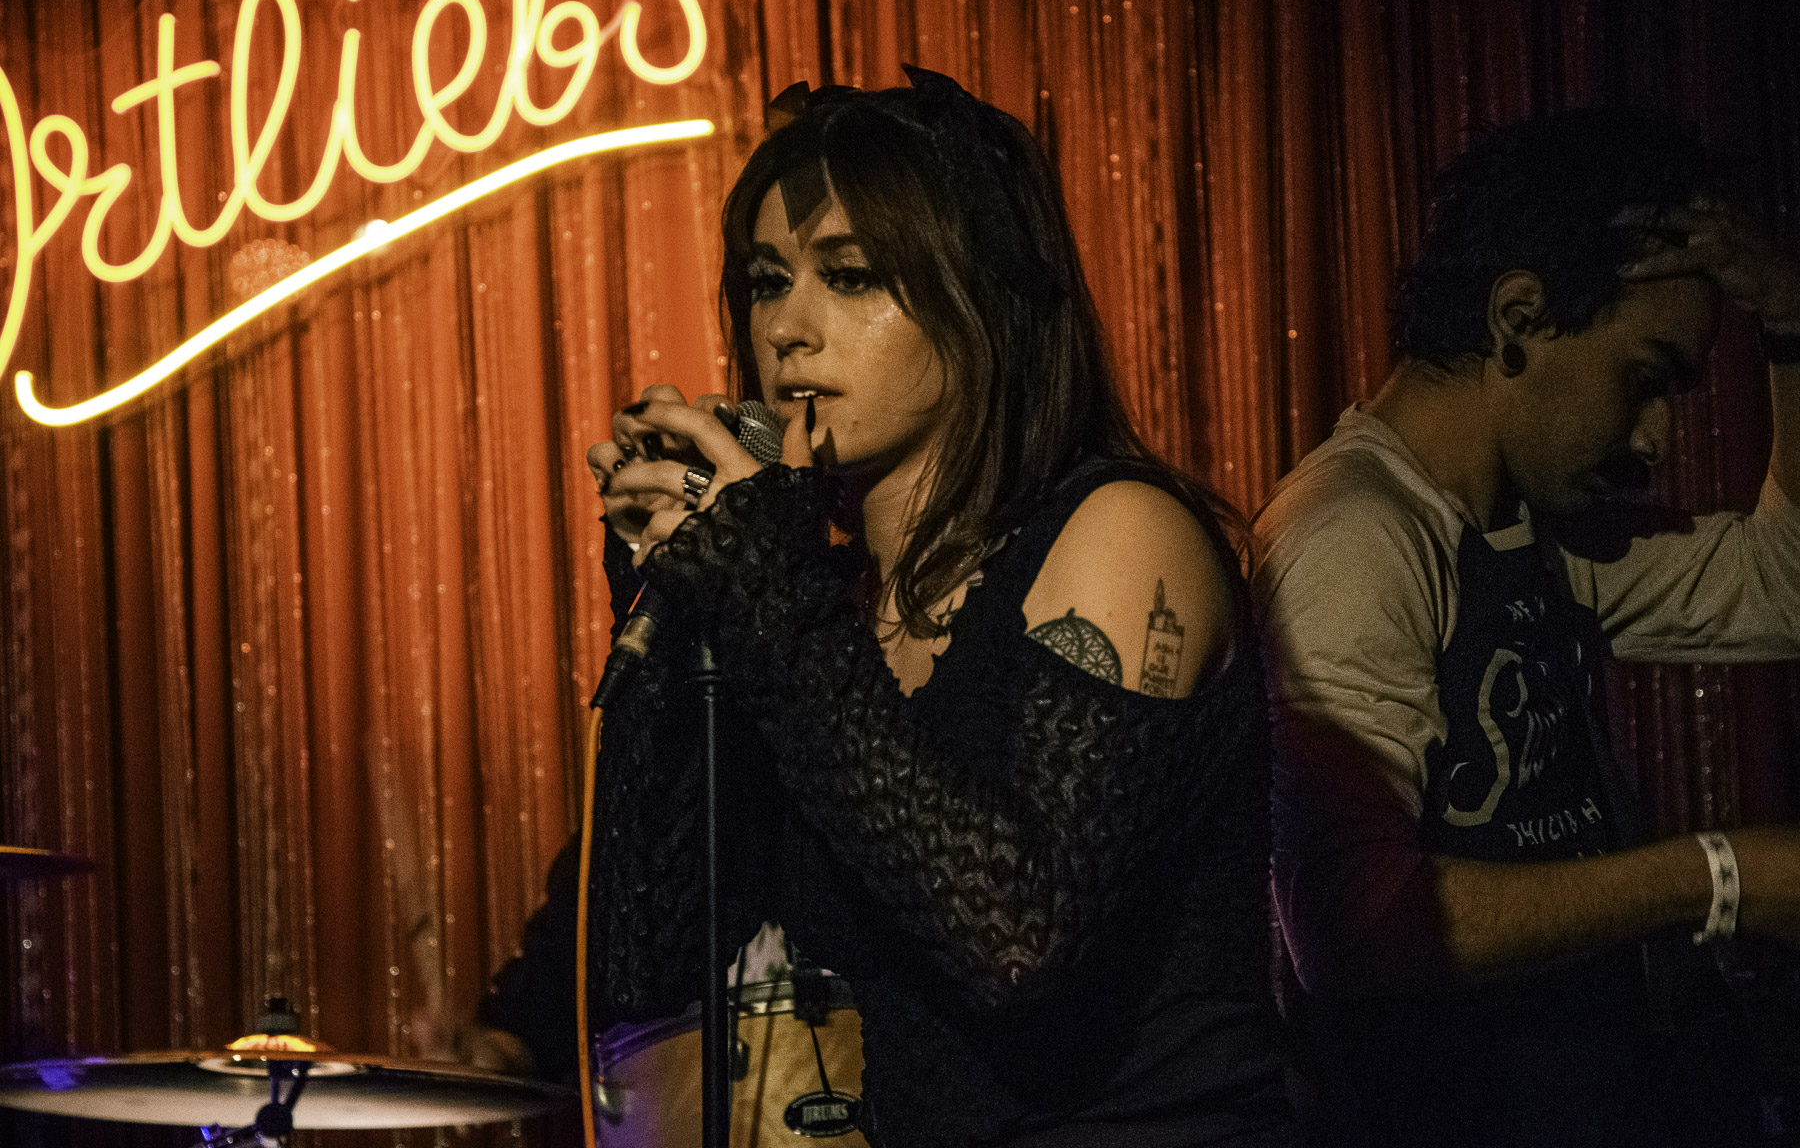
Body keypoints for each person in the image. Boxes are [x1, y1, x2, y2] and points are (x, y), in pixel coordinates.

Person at [468, 68, 1293, 1147]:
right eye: (768, 280)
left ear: (981, 300)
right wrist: (672, 625)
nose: (788, 327)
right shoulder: (817, 605)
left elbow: (1015, 940)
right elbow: (646, 963)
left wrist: (768, 594)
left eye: (851, 277)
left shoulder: (1123, 535)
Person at [1252, 107, 1800, 1148]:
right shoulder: (1355, 534)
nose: (1658, 439)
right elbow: (1351, 924)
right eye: (1644, 380)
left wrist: (1790, 316)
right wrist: (1720, 878)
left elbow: (1787, 584)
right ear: (1518, 318)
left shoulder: (1527, 527)